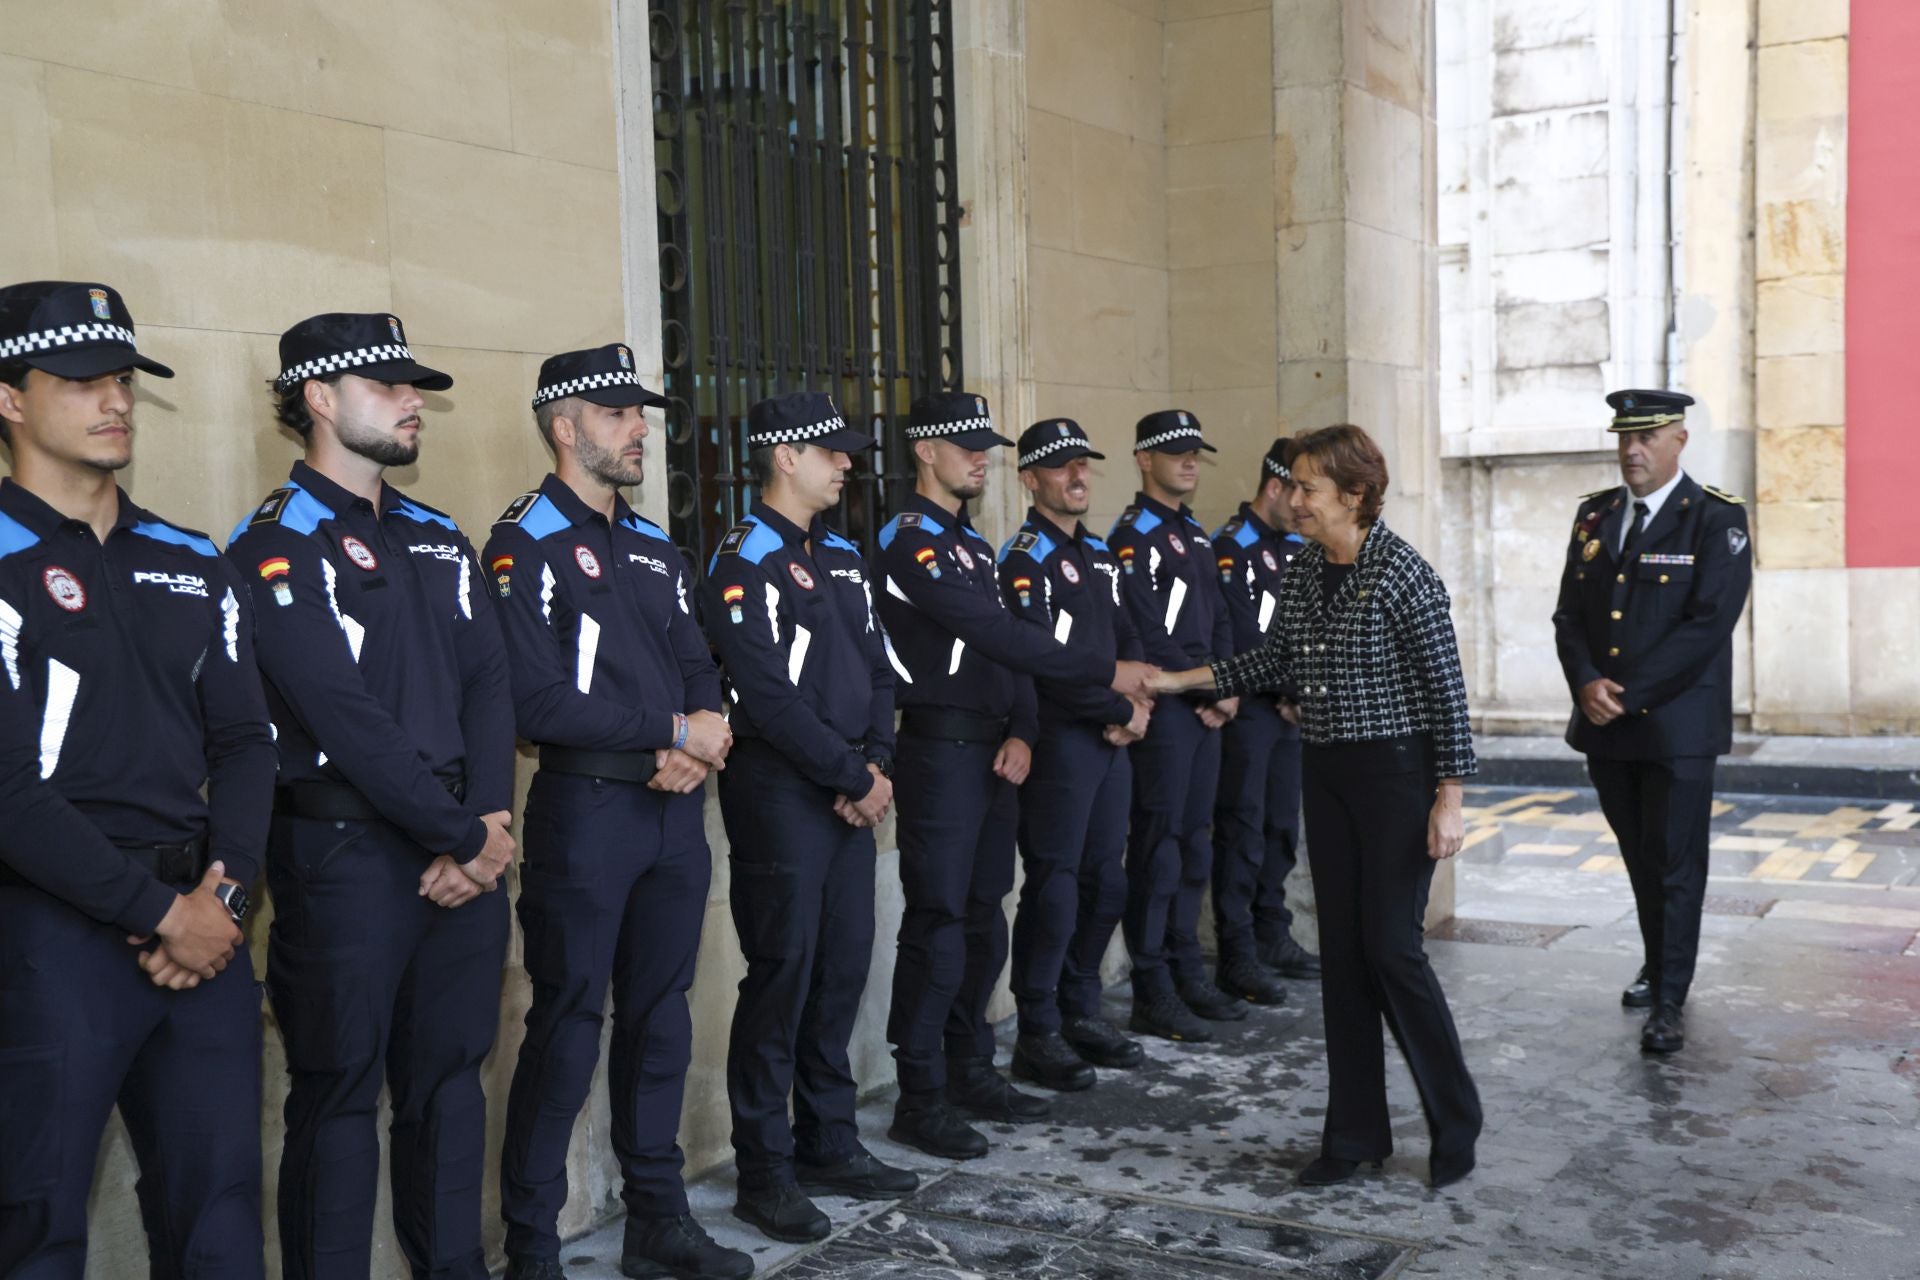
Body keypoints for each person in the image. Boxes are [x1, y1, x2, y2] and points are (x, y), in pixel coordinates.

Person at [227, 312, 518, 1280]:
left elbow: (489, 682)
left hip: (464, 846)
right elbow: (341, 715)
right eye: (387, 386)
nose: (411, 402)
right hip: (346, 858)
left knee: (450, 1083)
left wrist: (488, 822)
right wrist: (461, 835)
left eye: (414, 387)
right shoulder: (275, 542)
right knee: (339, 1094)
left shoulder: (437, 534)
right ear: (319, 397)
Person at [0, 280, 274, 1278]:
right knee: (37, 1221)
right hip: (49, 932)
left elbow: (247, 742)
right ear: (10, 398)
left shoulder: (190, 557)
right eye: (81, 380)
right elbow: (7, 791)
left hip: (204, 920)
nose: (114, 399)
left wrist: (221, 898)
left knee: (221, 1215)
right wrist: (161, 913)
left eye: (121, 377)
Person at [1150, 423, 1482, 1191]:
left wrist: (1450, 798)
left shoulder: (1404, 573)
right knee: (1344, 957)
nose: (1293, 499)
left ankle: (1455, 1117)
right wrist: (1174, 680)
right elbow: (1278, 659)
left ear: (1355, 495)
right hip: (1327, 772)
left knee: (1391, 949)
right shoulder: (1303, 569)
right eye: (1293, 486)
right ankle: (1353, 1134)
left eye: (1308, 487)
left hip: (1397, 778)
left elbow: (1448, 694)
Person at [486, 346, 748, 1280]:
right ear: (565, 427)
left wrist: (700, 736)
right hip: (587, 812)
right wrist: (671, 731)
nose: (640, 429)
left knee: (660, 1021)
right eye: (618, 414)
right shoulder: (523, 541)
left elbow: (699, 664)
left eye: (641, 414)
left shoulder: (653, 544)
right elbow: (533, 701)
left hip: (674, 814)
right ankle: (531, 1243)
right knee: (565, 1027)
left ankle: (658, 1222)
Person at [873, 393, 1156, 1160]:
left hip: (994, 753)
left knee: (982, 916)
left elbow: (1011, 658)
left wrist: (1026, 729)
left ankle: (971, 1067)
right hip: (939, 751)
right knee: (937, 923)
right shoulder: (909, 539)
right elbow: (995, 633)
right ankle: (920, 1094)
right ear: (925, 451)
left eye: (985, 447)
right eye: (966, 446)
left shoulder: (969, 544)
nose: (981, 458)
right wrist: (1107, 673)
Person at [700, 391, 917, 1244]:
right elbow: (765, 693)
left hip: (849, 787)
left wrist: (877, 764)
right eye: (832, 452)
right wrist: (849, 774)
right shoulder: (742, 557)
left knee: (840, 968)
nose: (847, 464)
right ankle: (765, 1170)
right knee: (782, 973)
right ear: (785, 457)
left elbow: (879, 666)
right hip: (781, 791)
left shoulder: (843, 554)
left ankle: (828, 1139)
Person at [1550, 389, 1753, 1055]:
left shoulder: (1715, 518)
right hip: (1607, 725)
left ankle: (1670, 1000)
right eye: (1624, 438)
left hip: (1675, 728)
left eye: (1646, 438)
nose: (1631, 450)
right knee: (1640, 857)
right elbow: (1570, 616)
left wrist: (1626, 693)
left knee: (1675, 863)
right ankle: (1656, 963)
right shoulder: (1596, 515)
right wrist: (1585, 683)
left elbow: (1707, 625)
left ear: (1678, 441)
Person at [997, 418, 1155, 1086]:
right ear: (1030, 479)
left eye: (1083, 464)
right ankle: (1038, 1027)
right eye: (1062, 466)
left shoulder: (1098, 554)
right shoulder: (1023, 557)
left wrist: (1138, 705)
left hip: (1110, 742)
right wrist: (1119, 709)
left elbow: (1128, 637)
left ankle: (1080, 1008)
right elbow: (1042, 661)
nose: (1078, 475)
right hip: (1061, 741)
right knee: (1055, 886)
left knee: (1107, 882)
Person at [1106, 410, 1247, 1042]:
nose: (1190, 461)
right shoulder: (1131, 537)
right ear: (1144, 460)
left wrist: (1226, 683)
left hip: (1204, 709)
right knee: (1158, 850)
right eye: (1175, 452)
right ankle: (1153, 986)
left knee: (1195, 845)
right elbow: (1143, 636)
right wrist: (1202, 688)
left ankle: (1188, 970)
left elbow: (1220, 618)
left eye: (1195, 452)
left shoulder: (1193, 532)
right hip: (1166, 713)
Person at [1211, 440, 1320, 988]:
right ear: (1274, 486)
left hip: (1289, 710)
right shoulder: (1232, 546)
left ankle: (1272, 932)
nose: (1302, 506)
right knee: (1243, 828)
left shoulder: (1299, 548)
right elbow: (1243, 637)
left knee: (1281, 825)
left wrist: (1301, 692)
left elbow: (1313, 626)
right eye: (1296, 491)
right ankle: (1237, 950)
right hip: (1252, 709)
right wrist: (1289, 687)